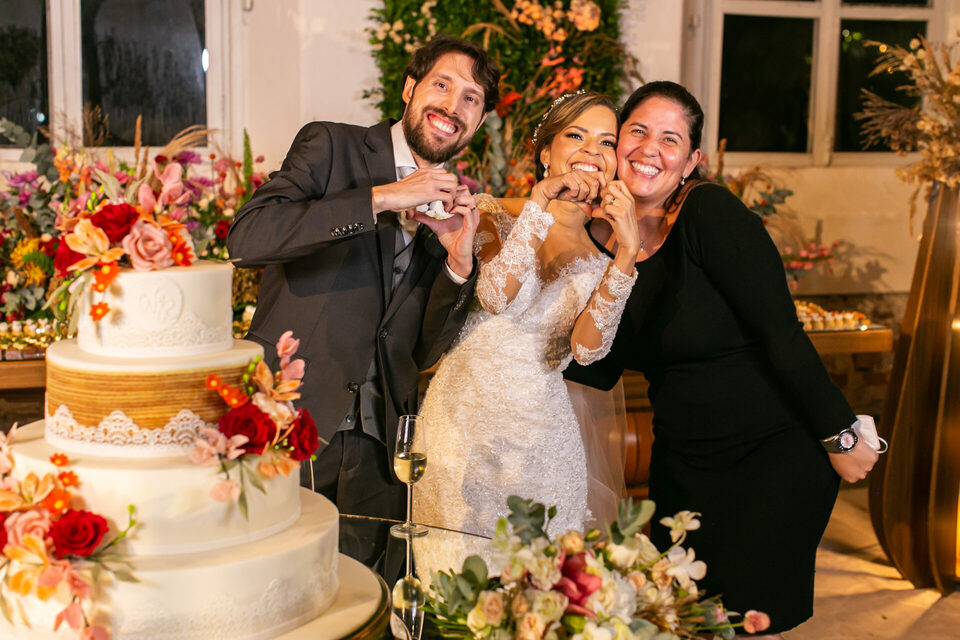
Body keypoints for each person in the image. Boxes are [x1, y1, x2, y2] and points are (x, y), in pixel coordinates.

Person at [564, 81, 879, 637]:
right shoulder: (603, 240)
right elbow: (597, 365)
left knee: (744, 622)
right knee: (680, 619)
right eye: (637, 131)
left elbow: (782, 334)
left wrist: (841, 435)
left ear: (692, 161)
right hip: (683, 464)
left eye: (670, 139)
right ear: (616, 145)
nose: (650, 148)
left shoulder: (709, 214)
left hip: (769, 457)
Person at [227, 35, 499, 571]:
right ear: (409, 88)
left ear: (480, 120)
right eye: (442, 85)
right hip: (292, 419)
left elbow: (422, 351)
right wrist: (382, 198)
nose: (453, 106)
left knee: (365, 597)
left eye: (471, 98)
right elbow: (247, 240)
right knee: (274, 584)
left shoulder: (455, 203)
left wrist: (457, 264)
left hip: (381, 451)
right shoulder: (332, 146)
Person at [413, 92, 640, 578]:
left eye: (607, 142)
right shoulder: (491, 211)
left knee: (540, 589)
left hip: (545, 444)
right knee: (452, 582)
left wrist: (626, 253)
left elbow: (587, 351)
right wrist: (539, 203)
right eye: (576, 135)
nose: (592, 150)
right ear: (546, 152)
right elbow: (496, 294)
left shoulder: (599, 257)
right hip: (463, 429)